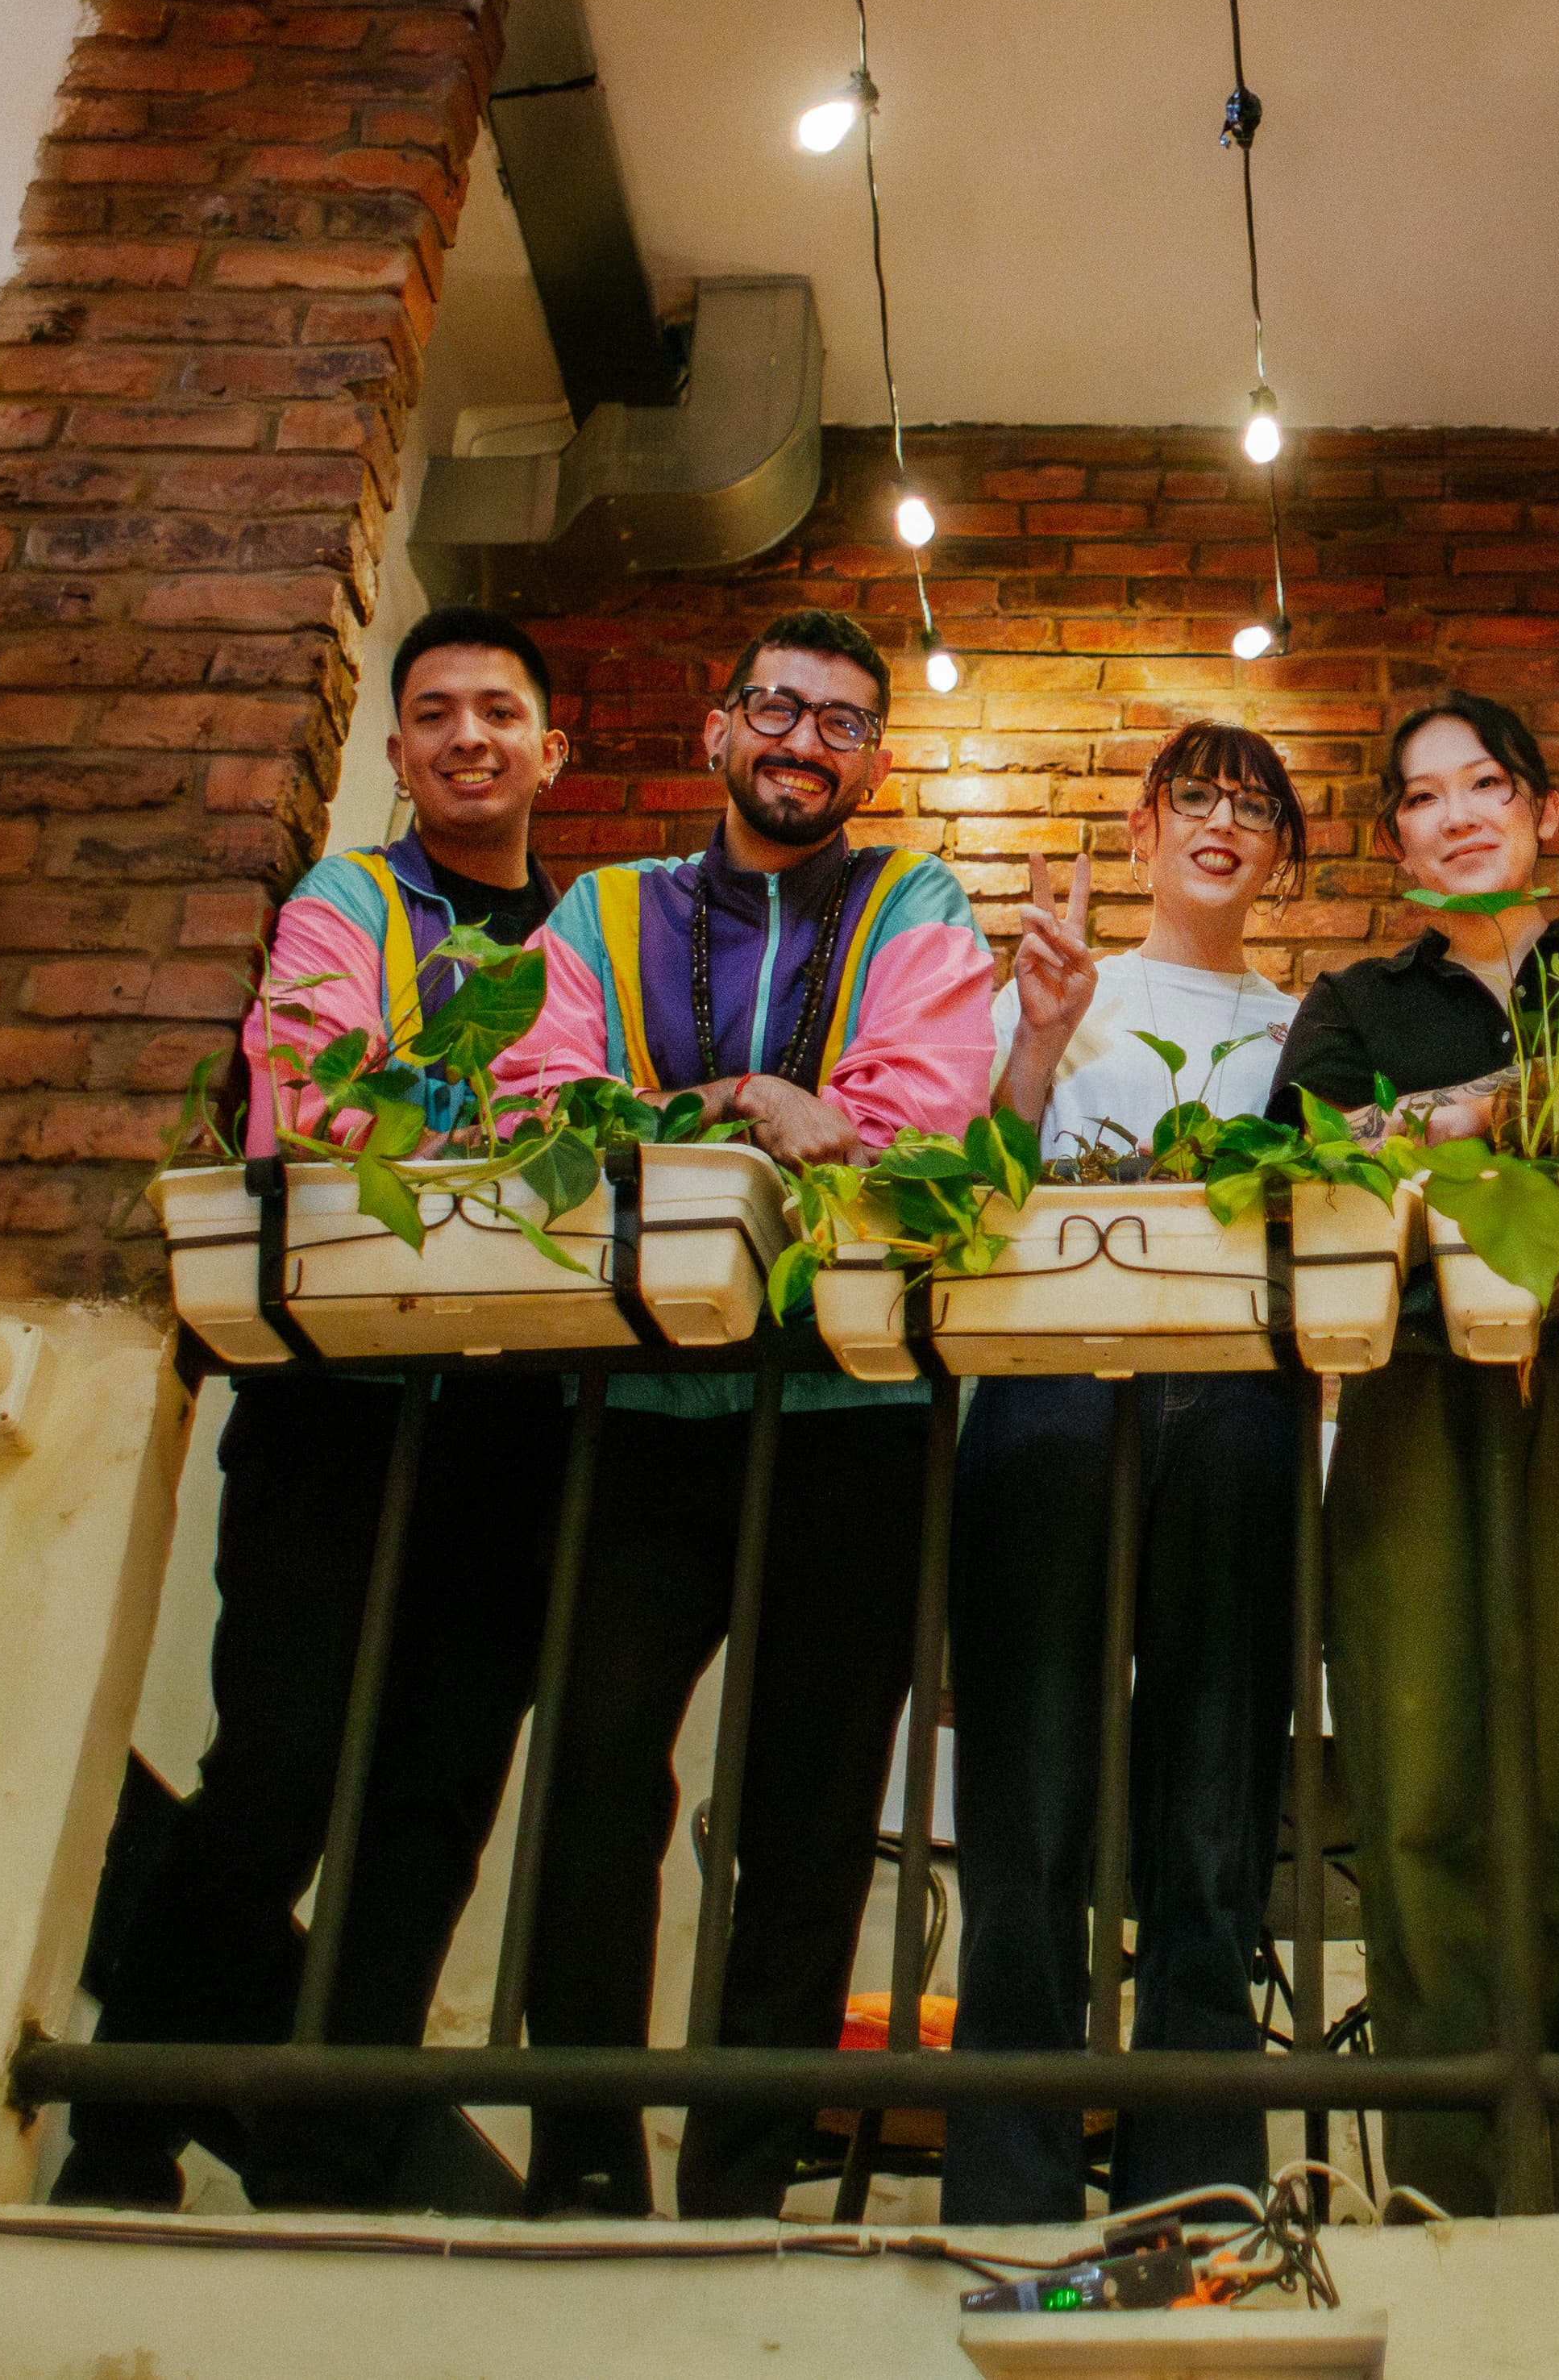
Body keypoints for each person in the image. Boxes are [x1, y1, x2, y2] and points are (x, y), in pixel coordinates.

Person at [60, 606, 582, 2211]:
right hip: (332, 1404)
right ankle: (121, 2135)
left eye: (499, 710)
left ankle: (326, 2166)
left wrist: (508, 1123)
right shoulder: (348, 899)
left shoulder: (590, 936)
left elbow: (605, 1120)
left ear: (551, 749)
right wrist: (514, 1124)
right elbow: (314, 1096)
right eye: (436, 713)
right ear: (400, 751)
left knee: (432, 1806)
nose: (470, 735)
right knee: (280, 1767)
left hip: (517, 1420)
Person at [486, 605, 994, 2218]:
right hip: (633, 1405)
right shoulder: (604, 906)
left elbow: (922, 1111)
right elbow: (532, 1104)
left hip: (852, 1407)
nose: (802, 741)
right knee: (592, 1777)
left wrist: (756, 1119)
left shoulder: (914, 902)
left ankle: (737, 2185)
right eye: (776, 707)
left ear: (874, 763)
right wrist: (749, 1104)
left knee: (809, 1810)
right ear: (717, 730)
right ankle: (583, 2165)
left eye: (841, 722)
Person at [1270, 693, 1559, 2216]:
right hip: (1411, 1397)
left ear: (1548, 814)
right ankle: (1445, 2181)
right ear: (1396, 837)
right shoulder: (1356, 1001)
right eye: (1425, 797)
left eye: (1488, 788)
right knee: (1422, 1792)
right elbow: (1297, 1154)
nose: (1458, 817)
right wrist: (1500, 1103)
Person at [942, 724, 1314, 2226]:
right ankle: (1010, 2192)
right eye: (1197, 798)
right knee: (1027, 1790)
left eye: (1257, 808)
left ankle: (1199, 2190)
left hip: (1239, 1400)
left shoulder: (1304, 1025)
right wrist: (1039, 1034)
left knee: (1217, 1799)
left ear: (1283, 854)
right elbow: (975, 1185)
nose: (1224, 823)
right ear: (1146, 828)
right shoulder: (1057, 986)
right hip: (1049, 1385)